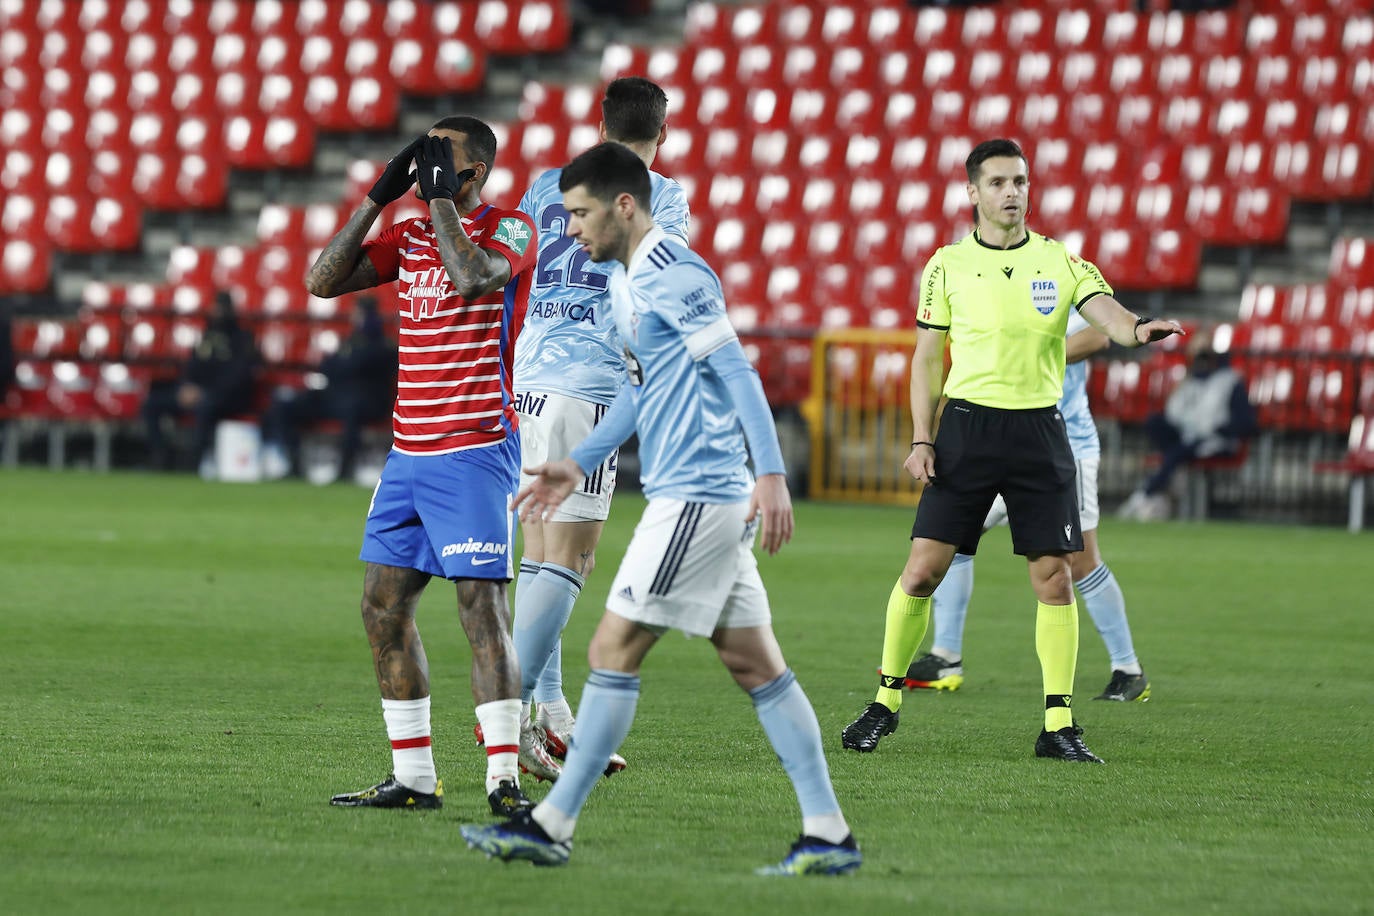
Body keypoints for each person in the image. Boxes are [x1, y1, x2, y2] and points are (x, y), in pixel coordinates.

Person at [459, 142, 861, 875]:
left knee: (611, 652)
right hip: (696, 497)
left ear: (622, 205)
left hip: (696, 497)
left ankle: (551, 825)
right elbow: (644, 390)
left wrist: (769, 475)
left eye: (579, 214)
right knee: (758, 668)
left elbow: (735, 368)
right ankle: (829, 833)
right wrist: (579, 461)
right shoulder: (625, 280)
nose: (569, 229)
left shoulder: (671, 269)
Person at [839, 138, 1183, 764]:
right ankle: (885, 703)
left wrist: (1136, 329)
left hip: (1040, 434)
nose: (1012, 193)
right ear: (973, 192)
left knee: (1054, 579)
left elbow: (1101, 310)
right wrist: (921, 438)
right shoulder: (945, 265)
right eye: (998, 182)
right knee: (923, 569)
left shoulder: (1060, 261)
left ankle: (1058, 725)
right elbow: (924, 357)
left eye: (1020, 181)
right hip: (966, 431)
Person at [303, 116, 543, 816]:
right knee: (382, 606)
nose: (427, 167)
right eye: (422, 155)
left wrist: (439, 200)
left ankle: (503, 780)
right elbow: (323, 280)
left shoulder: (515, 229)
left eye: (443, 159)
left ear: (476, 175)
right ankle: (412, 778)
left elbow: (472, 278)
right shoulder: (405, 235)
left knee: (480, 608)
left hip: (474, 450)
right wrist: (379, 196)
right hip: (409, 454)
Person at [500, 76, 690, 780]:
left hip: (531, 378)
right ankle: (507, 717)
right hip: (593, 383)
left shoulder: (548, 184)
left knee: (542, 554)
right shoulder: (662, 197)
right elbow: (657, 287)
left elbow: (518, 270)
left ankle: (549, 711)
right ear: (661, 134)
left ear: (599, 121)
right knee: (569, 560)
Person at [905, 314, 1150, 703]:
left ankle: (1128, 668)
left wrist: (1032, 356)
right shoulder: (990, 285)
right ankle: (945, 656)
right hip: (998, 449)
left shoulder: (1053, 278)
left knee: (1081, 561)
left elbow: (1100, 337)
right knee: (950, 540)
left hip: (1061, 449)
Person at [1118, 328, 1256, 521]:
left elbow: (1245, 421)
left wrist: (1218, 429)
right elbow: (1174, 414)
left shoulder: (1230, 381)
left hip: (1216, 440)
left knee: (1178, 452)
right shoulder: (1188, 380)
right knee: (1156, 424)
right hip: (1186, 436)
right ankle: (1163, 490)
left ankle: (1147, 494)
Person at [260, 295, 395, 483]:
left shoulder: (383, 345)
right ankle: (294, 465)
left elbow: (355, 366)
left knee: (352, 411)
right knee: (287, 406)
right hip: (336, 397)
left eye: (360, 314)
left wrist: (344, 365)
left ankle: (344, 472)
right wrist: (344, 366)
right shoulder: (350, 342)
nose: (355, 318)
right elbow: (328, 366)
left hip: (366, 401)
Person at [140, 290, 258, 472]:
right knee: (151, 404)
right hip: (197, 392)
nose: (218, 312)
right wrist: (185, 387)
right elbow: (192, 367)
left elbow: (238, 377)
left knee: (205, 407)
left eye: (222, 308)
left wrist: (205, 392)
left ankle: (193, 463)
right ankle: (161, 456)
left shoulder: (242, 338)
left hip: (226, 397)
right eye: (216, 307)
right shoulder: (206, 336)